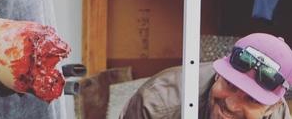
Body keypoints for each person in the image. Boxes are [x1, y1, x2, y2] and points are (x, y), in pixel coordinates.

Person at [120, 33, 292, 119]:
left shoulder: (278, 114)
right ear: (218, 75)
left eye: (252, 100)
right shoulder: (156, 103)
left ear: (273, 107)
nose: (232, 105)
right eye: (231, 85)